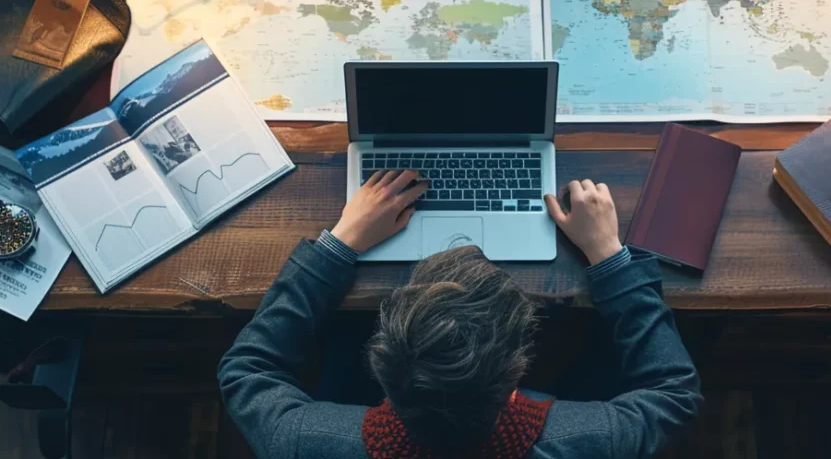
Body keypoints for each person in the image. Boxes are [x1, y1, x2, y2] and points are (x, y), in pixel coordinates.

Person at [218, 169, 702, 458]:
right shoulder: (596, 439)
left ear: (381, 363)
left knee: (336, 339)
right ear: (519, 365)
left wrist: (339, 244)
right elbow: (675, 390)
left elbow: (245, 370)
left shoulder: (303, 441)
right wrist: (610, 256)